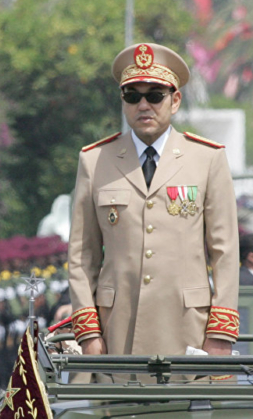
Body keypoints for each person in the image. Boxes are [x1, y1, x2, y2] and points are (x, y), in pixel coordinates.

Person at [68, 43, 240, 365]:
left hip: (188, 329)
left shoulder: (207, 158)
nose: (143, 105)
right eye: (132, 96)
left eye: (155, 95)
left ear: (175, 100)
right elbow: (82, 255)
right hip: (116, 332)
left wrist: (220, 332)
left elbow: (225, 252)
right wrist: (88, 333)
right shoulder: (95, 160)